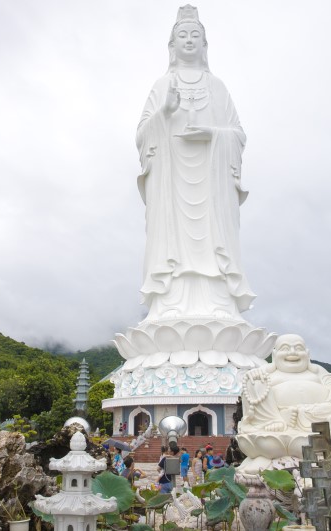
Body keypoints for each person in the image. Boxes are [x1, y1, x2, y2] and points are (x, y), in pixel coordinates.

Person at [136, 5, 255, 321]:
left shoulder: (217, 87)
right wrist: (164, 112)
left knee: (214, 241)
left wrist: (212, 135)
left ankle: (219, 303)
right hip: (171, 179)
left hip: (211, 180)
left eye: (195, 35)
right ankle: (170, 303)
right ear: (172, 45)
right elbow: (141, 135)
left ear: (204, 44)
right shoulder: (162, 86)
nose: (189, 40)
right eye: (182, 35)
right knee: (171, 241)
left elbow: (238, 134)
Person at [237, 334, 331, 472]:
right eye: (285, 348)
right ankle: (274, 420)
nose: (292, 352)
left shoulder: (318, 371)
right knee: (254, 383)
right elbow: (250, 386)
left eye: (298, 348)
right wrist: (256, 376)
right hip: (275, 424)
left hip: (319, 418)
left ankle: (295, 419)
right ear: (274, 355)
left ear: (307, 354)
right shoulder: (268, 373)